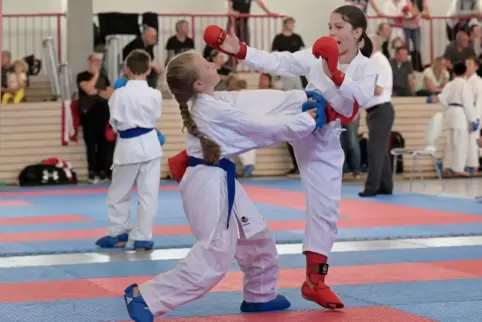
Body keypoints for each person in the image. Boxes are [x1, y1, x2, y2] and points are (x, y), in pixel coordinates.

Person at [123, 50, 326, 321]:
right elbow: (258, 127)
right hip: (207, 187)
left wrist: (299, 98)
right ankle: (145, 298)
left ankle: (260, 294)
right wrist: (307, 121)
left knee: (256, 234)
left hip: (220, 180)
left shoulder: (212, 100)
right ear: (197, 83)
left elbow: (253, 102)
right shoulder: (212, 110)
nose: (213, 63)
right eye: (206, 64)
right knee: (214, 255)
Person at [203, 4, 377, 309]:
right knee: (270, 105)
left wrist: (335, 73)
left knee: (326, 211)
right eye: (330, 26)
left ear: (357, 32)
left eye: (338, 27)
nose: (332, 32)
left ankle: (314, 281)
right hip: (302, 113)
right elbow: (280, 62)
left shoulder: (366, 66)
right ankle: (198, 149)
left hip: (326, 136)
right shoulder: (316, 52)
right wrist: (240, 50)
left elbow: (360, 99)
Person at [95, 49, 163, 251]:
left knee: (119, 191)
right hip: (151, 145)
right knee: (148, 193)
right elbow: (155, 117)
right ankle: (143, 237)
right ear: (149, 69)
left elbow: (114, 122)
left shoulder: (119, 94)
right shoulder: (155, 94)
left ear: (126, 69)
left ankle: (118, 233)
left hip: (128, 147)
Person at [359, 35, 395, 197]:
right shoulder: (373, 61)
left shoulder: (378, 61)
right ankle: (386, 185)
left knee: (375, 150)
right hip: (376, 110)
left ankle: (371, 187)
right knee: (381, 151)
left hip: (380, 110)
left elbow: (378, 88)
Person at [432, 62, 478, 176]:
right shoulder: (464, 84)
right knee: (460, 143)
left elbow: (441, 98)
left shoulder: (449, 84)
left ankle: (447, 167)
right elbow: (468, 104)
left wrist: (448, 107)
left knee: (450, 143)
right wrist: (473, 119)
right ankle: (458, 168)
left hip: (450, 113)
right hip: (460, 114)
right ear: (465, 72)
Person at [76, 53, 114, 184]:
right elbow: (88, 89)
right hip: (89, 114)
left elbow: (109, 93)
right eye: (95, 61)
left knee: (104, 143)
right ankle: (92, 172)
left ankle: (103, 171)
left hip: (103, 113)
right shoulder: (82, 76)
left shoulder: (105, 77)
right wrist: (96, 75)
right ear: (89, 62)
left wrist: (97, 91)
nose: (97, 64)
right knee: (91, 144)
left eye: (99, 62)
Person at [465, 56, 482, 174]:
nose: (467, 66)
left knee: (473, 142)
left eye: (470, 64)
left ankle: (474, 166)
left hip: (474, 116)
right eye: (466, 64)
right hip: (464, 116)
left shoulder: (478, 82)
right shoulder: (464, 81)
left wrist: (476, 118)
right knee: (465, 142)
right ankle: (466, 165)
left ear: (476, 67)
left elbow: (480, 101)